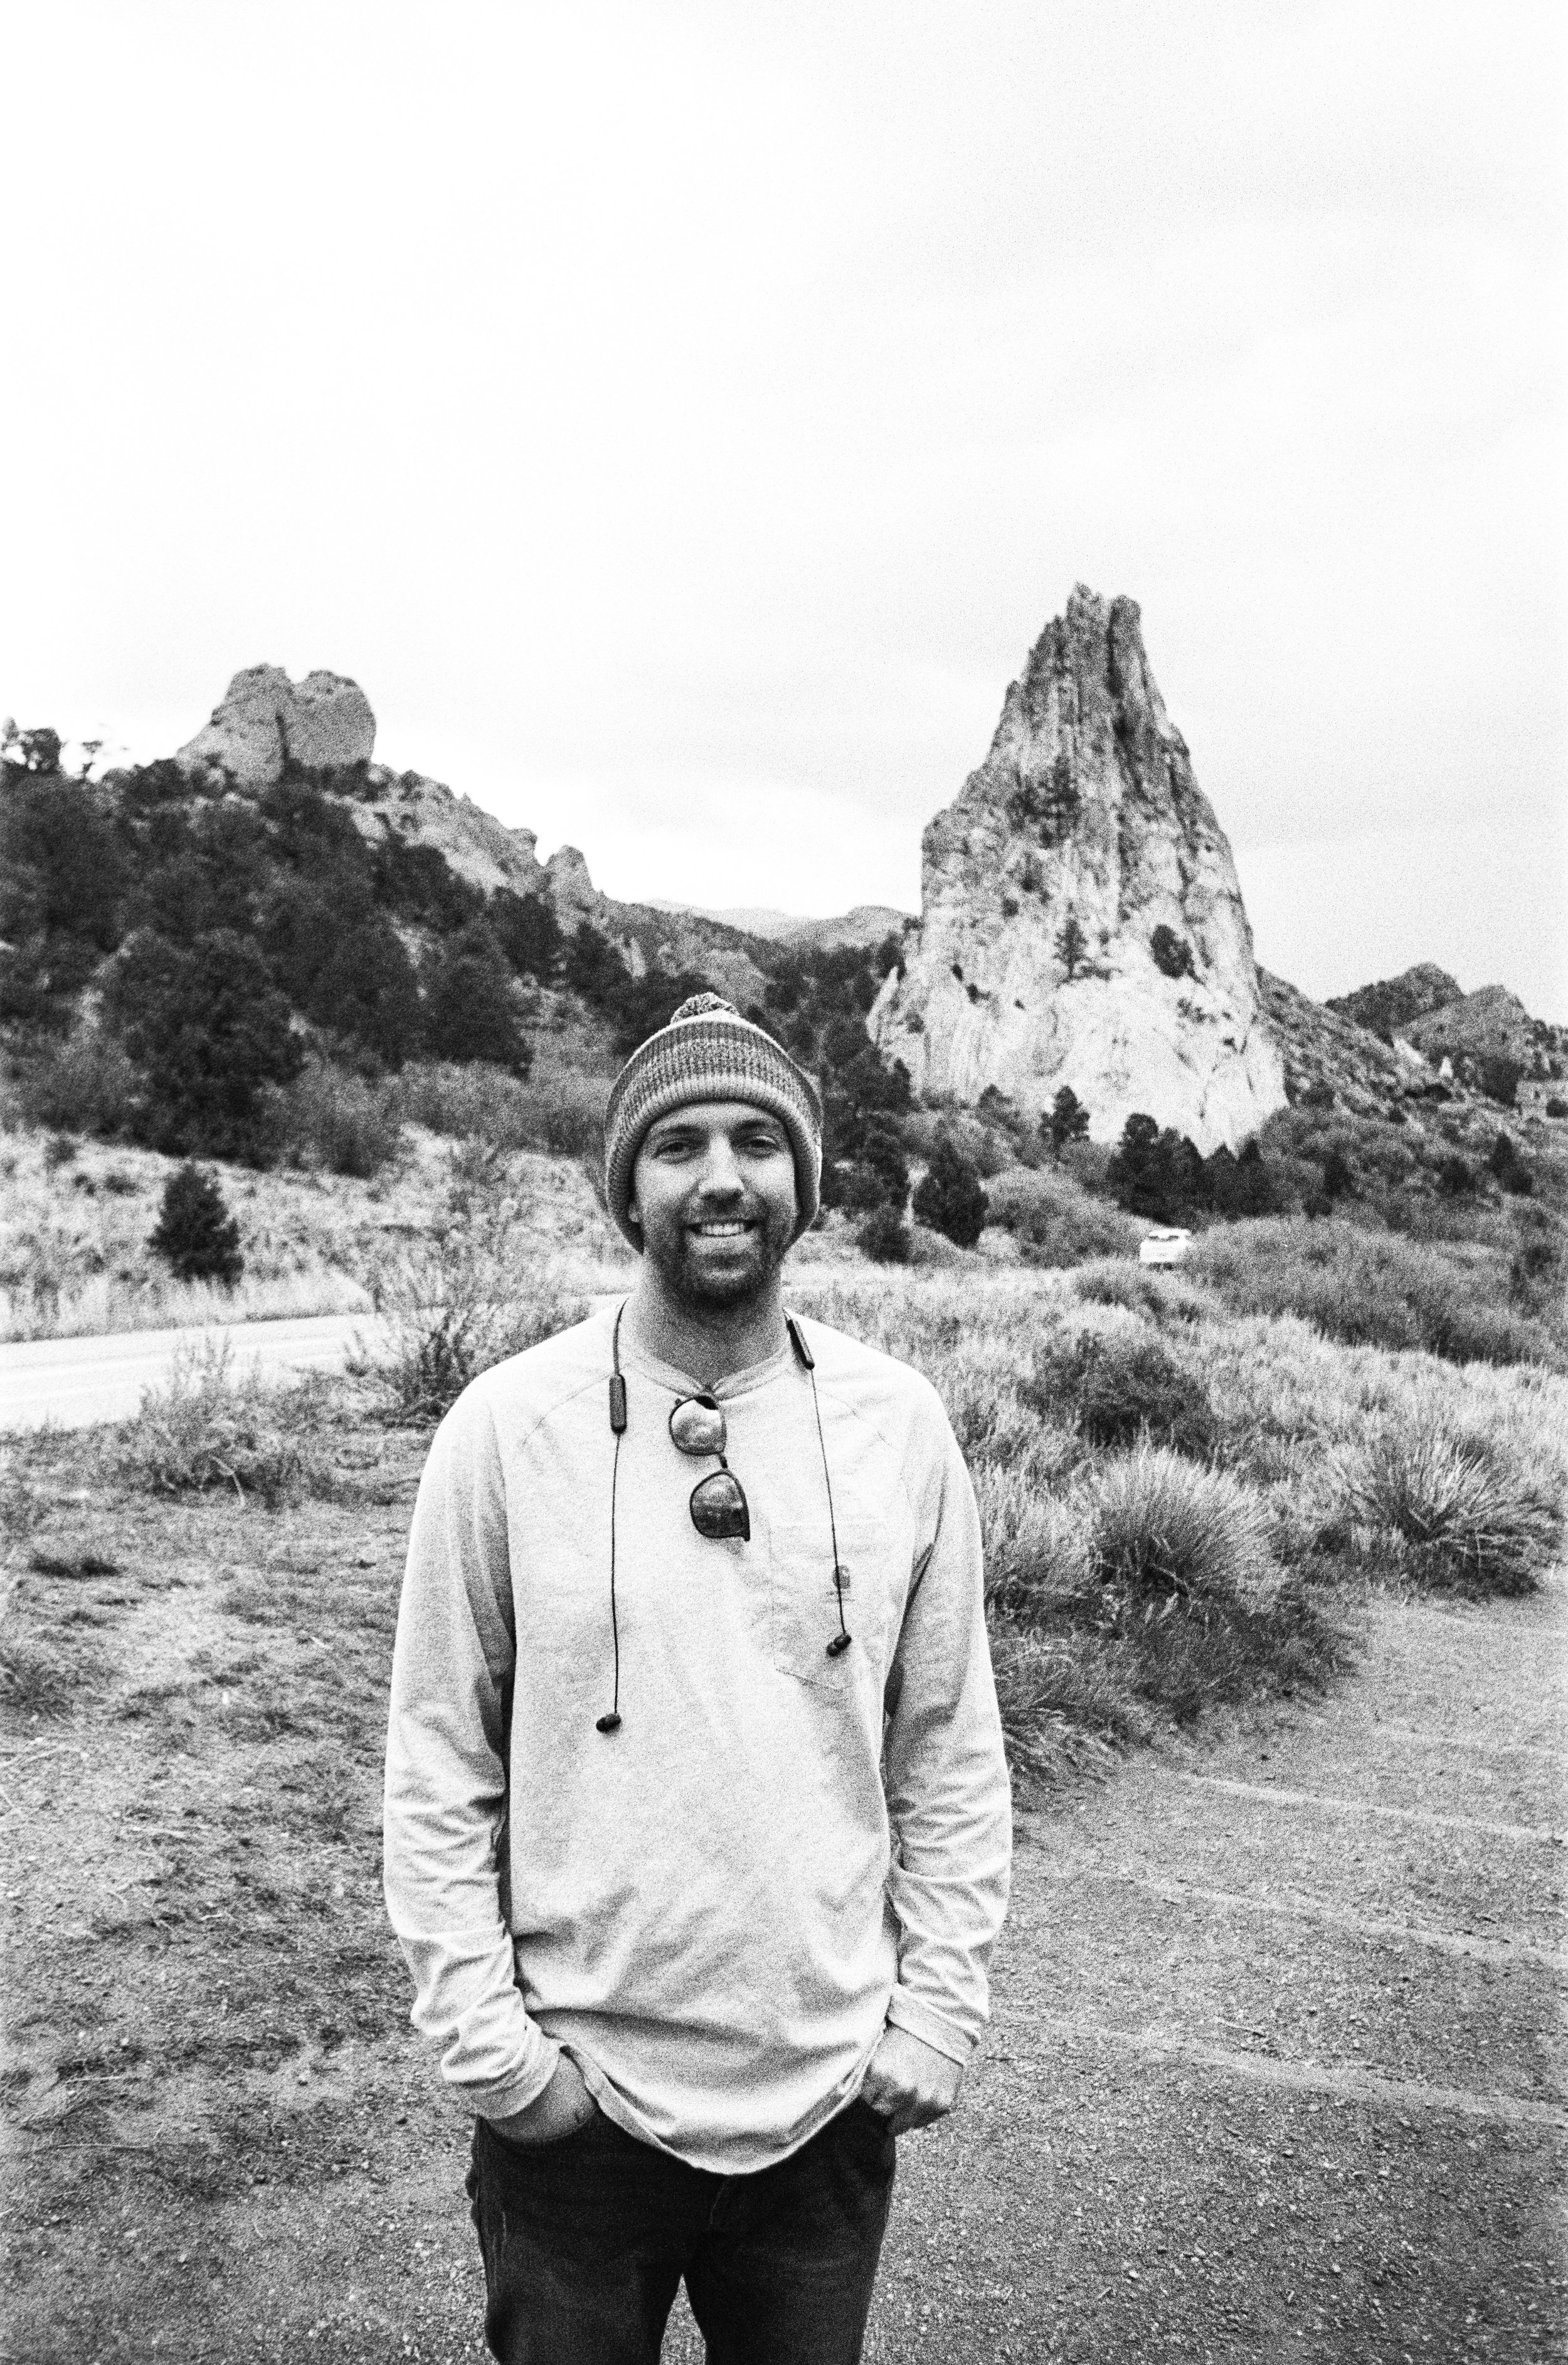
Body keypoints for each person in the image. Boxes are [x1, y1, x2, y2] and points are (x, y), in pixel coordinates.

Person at [383, 992, 1012, 2364]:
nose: (720, 1176)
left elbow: (949, 1744)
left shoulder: (896, 1426)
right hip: (579, 2109)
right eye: (676, 1145)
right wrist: (500, 2062)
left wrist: (939, 2010)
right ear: (627, 1189)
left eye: (754, 1141)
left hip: (825, 2098)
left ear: (804, 1181)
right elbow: (437, 1764)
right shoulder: (503, 1432)